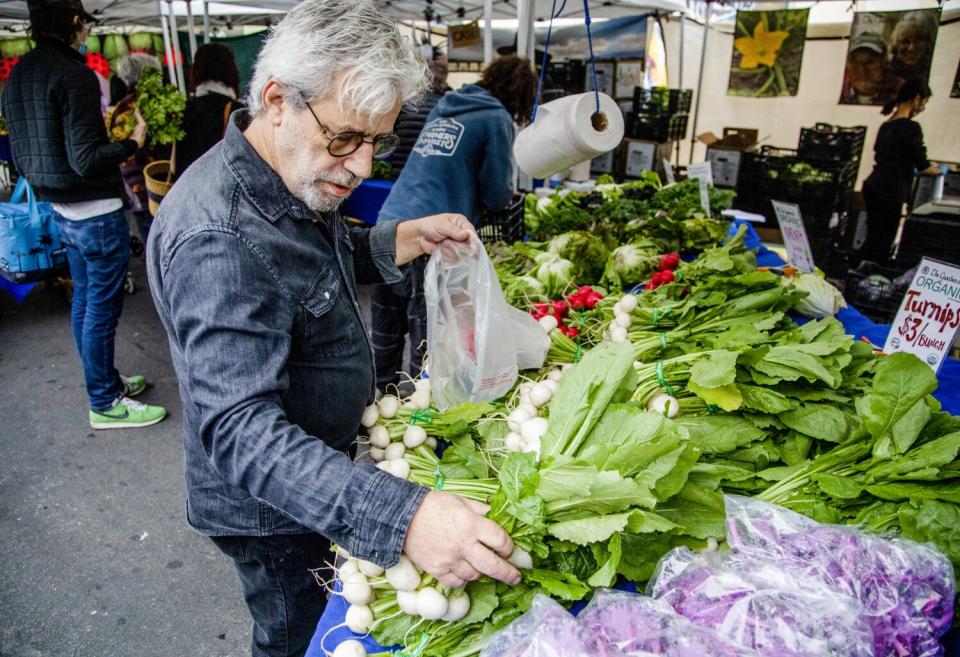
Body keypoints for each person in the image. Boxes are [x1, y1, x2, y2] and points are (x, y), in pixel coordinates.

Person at [146, 3, 521, 656]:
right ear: (276, 101)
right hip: (272, 511)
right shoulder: (219, 238)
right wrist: (402, 517)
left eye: (379, 142)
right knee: (294, 633)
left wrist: (399, 238)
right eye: (346, 138)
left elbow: (313, 264)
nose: (363, 165)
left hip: (316, 469)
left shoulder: (286, 180)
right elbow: (238, 430)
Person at [2, 0, 168, 430]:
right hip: (94, 212)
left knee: (85, 302)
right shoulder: (73, 75)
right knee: (100, 307)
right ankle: (105, 401)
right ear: (75, 23)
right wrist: (133, 140)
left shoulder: (20, 73)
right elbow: (87, 158)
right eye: (84, 25)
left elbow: (28, 152)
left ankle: (104, 382)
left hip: (61, 210)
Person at [371, 55, 534, 390]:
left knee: (385, 338)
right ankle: (420, 416)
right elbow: (497, 193)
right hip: (430, 236)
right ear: (520, 96)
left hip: (388, 225)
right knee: (426, 342)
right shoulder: (497, 119)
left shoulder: (446, 105)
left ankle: (375, 410)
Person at [860, 78, 942, 266]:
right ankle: (871, 280)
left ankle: (858, 272)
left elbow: (879, 154)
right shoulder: (910, 127)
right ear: (916, 99)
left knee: (873, 237)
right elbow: (923, 164)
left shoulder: (887, 125)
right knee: (883, 241)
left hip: (874, 185)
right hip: (891, 190)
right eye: (924, 103)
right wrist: (939, 171)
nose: (921, 108)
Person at [108, 53, 163, 241]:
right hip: (155, 184)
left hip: (135, 187)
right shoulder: (151, 104)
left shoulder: (121, 108)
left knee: (151, 241)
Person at [176, 42, 246, 173]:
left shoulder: (183, 110)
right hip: (223, 189)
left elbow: (177, 164)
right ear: (230, 70)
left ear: (196, 70)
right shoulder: (236, 111)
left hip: (189, 189)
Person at [389, 52, 450, 179]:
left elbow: (392, 134)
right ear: (444, 80)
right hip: (426, 176)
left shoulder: (407, 104)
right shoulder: (446, 107)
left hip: (400, 173)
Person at [840, 32, 901, 106]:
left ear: (884, 64)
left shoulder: (902, 91)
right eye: (856, 62)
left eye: (870, 62)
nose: (862, 71)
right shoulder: (837, 88)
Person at [890, 11, 938, 83]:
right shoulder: (886, 72)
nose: (911, 48)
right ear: (896, 44)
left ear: (929, 42)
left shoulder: (936, 68)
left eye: (920, 39)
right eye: (905, 41)